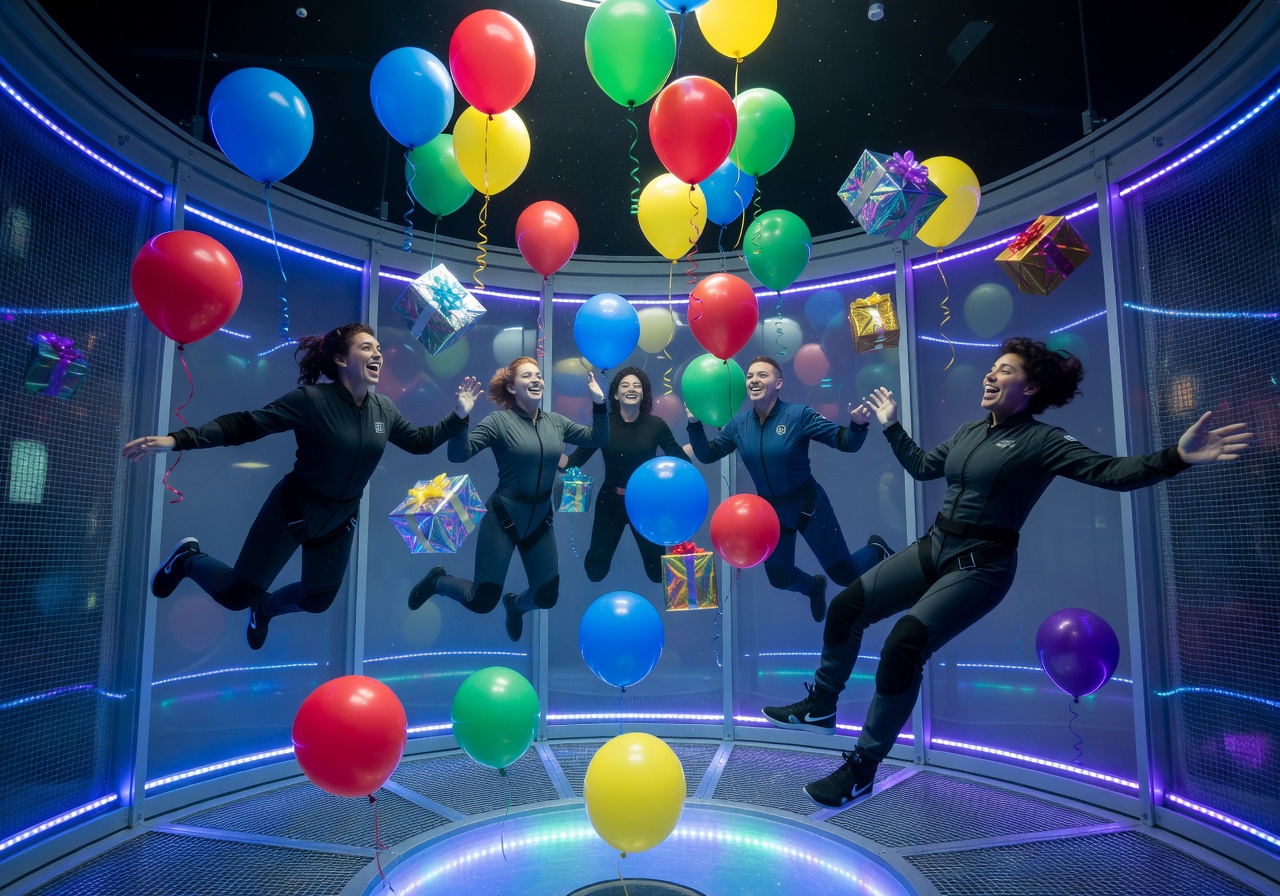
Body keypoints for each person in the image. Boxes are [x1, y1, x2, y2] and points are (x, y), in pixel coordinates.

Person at [762, 336, 1253, 808]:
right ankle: (822, 704)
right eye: (993, 367)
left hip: (982, 565)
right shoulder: (972, 431)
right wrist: (890, 425)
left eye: (1006, 370)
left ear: (1031, 388)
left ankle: (861, 770)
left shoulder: (1044, 440)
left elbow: (1110, 472)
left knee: (903, 646)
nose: (992, 373)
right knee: (848, 607)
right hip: (935, 545)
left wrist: (1177, 457)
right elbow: (922, 466)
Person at [122, 322, 482, 650]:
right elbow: (246, 425)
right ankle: (187, 560)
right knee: (234, 596)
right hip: (294, 510)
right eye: (366, 348)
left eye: (378, 349)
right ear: (341, 359)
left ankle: (265, 609)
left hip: (340, 520)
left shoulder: (383, 409)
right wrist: (176, 440)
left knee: (317, 600)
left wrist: (459, 416)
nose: (377, 354)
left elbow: (420, 442)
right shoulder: (311, 401)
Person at [408, 356, 608, 641]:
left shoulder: (557, 423)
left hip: (540, 520)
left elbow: (600, 439)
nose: (536, 379)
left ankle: (515, 605)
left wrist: (600, 403)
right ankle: (437, 582)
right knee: (482, 601)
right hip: (504, 517)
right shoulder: (498, 422)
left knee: (547, 596)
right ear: (512, 388)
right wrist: (461, 416)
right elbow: (458, 455)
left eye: (538, 375)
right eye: (527, 376)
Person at [687, 356, 893, 623]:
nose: (754, 381)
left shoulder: (798, 415)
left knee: (845, 576)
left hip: (808, 505)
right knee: (780, 578)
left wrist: (857, 425)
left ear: (779, 383)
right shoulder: (739, 425)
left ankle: (877, 549)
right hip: (770, 514)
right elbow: (708, 454)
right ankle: (813, 587)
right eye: (749, 376)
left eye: (762, 375)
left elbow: (845, 442)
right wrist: (693, 423)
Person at [560, 366, 693, 584]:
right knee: (596, 572)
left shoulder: (656, 425)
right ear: (615, 394)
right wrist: (555, 451)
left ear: (643, 393)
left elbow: (681, 462)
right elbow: (574, 461)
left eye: (637, 386)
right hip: (610, 501)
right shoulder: (605, 424)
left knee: (657, 575)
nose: (631, 389)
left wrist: (693, 441)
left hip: (645, 503)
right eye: (625, 385)